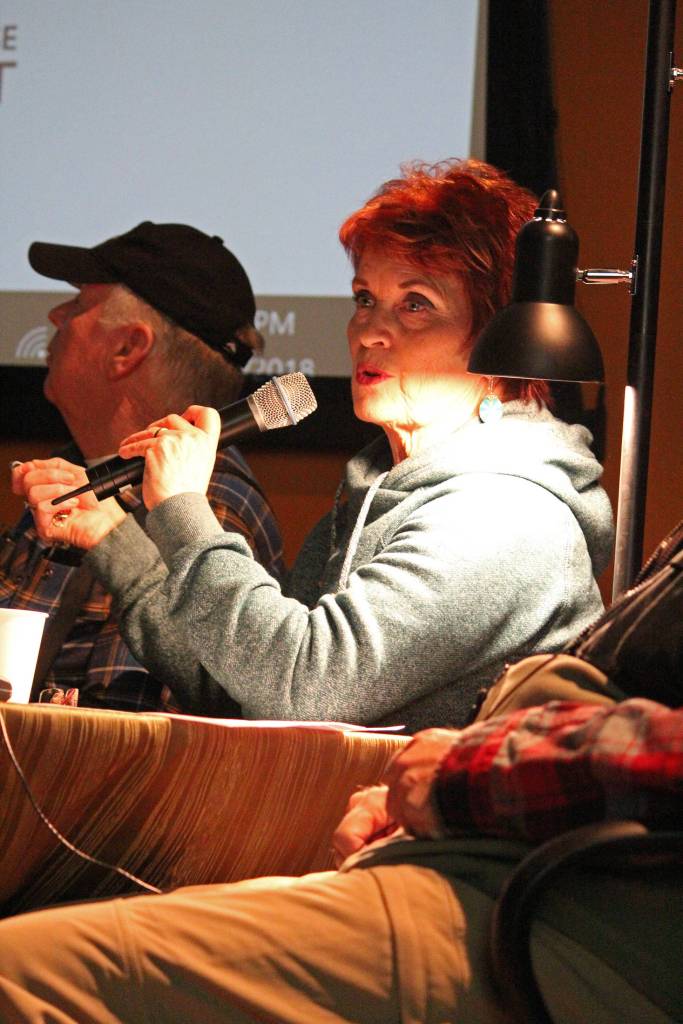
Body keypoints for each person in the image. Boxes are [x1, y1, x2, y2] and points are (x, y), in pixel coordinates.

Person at [19, 160, 614, 730]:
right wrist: (113, 538)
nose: (369, 331)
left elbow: (302, 686)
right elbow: (239, 689)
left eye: (415, 304)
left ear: (497, 335)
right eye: (364, 298)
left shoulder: (504, 516)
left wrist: (181, 509)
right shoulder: (373, 486)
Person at [0, 695, 680, 1023]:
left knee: (24, 974)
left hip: (576, 919)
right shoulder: (362, 503)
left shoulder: (505, 511)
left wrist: (465, 773)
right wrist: (402, 795)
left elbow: (300, 679)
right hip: (486, 863)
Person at [2, 221, 283, 711]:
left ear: (127, 349)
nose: (54, 313)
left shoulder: (202, 509)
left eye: (79, 304)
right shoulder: (73, 470)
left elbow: (130, 737)